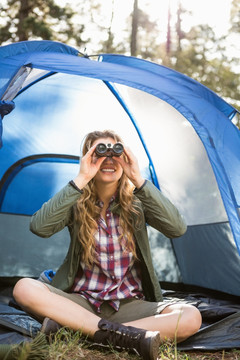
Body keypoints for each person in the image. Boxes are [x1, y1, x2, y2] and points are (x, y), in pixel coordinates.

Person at [13, 130, 202, 360]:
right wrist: (81, 178)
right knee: (24, 287)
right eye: (99, 152)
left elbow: (177, 228)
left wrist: (137, 177)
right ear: (87, 158)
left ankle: (87, 331)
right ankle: (120, 336)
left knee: (191, 316)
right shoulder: (76, 201)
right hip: (82, 302)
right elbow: (39, 227)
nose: (108, 159)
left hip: (128, 305)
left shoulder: (137, 203)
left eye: (116, 152)